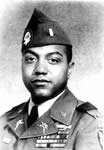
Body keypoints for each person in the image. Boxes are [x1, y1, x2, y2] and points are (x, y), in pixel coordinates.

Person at [0, 8, 103, 150]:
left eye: (53, 60)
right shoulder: (5, 120)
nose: (40, 69)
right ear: (21, 64)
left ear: (69, 69)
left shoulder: (87, 123)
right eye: (30, 59)